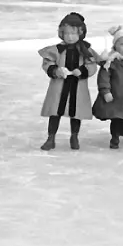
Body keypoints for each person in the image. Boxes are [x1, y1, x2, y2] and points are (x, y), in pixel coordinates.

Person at [38, 12, 97, 151]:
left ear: (81, 34)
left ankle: (74, 136)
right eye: (67, 33)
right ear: (61, 33)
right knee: (55, 111)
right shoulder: (56, 50)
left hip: (78, 86)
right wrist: (55, 70)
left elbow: (92, 64)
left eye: (74, 34)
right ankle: (51, 138)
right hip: (59, 86)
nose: (70, 37)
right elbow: (47, 62)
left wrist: (82, 70)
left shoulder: (85, 50)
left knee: (76, 112)